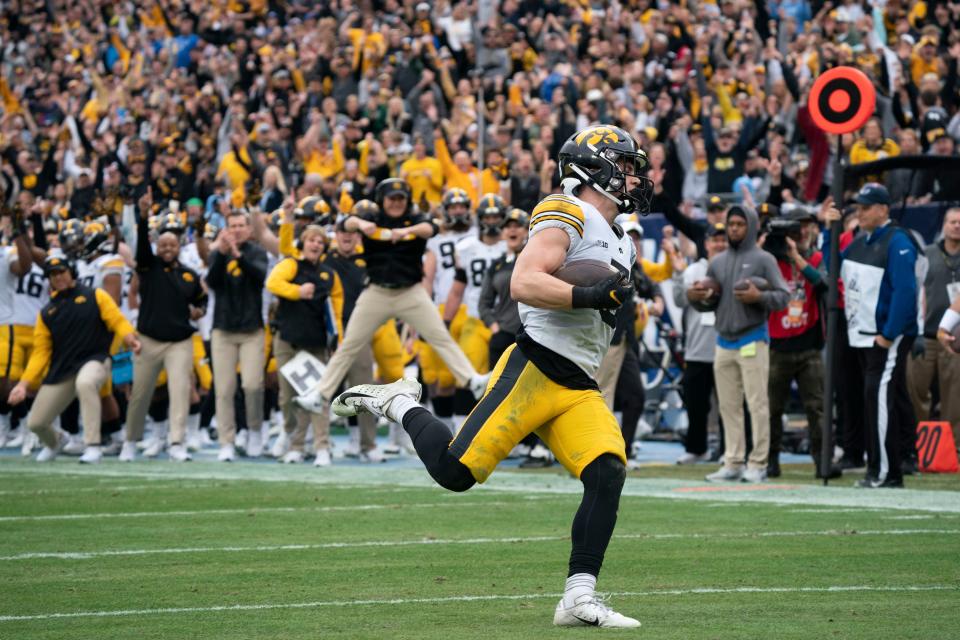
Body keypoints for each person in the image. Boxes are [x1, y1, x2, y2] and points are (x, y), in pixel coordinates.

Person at [328, 125, 651, 628]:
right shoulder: (567, 211)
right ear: (596, 168)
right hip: (536, 366)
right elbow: (524, 282)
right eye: (626, 165)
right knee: (456, 473)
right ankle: (399, 401)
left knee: (607, 472)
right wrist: (587, 294)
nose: (634, 176)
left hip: (579, 383)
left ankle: (577, 597)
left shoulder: (621, 239)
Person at [297, 178, 487, 414]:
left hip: (410, 292)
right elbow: (345, 222)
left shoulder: (415, 219)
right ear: (382, 200)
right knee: (350, 345)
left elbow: (432, 227)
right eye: (391, 198)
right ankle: (321, 394)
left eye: (400, 199)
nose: (396, 203)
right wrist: (361, 224)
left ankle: (471, 380)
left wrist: (406, 231)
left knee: (440, 337)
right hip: (377, 291)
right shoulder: (373, 218)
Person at [826, 183, 920, 488]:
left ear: (883, 209)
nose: (860, 213)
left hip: (883, 336)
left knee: (879, 399)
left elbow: (906, 292)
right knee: (872, 399)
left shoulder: (897, 241)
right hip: (864, 334)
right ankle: (883, 469)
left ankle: (884, 472)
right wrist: (831, 229)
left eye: (866, 208)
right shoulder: (862, 241)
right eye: (858, 208)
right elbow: (833, 267)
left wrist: (889, 334)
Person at [689, 205, 789, 483]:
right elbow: (706, 306)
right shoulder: (717, 262)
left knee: (757, 404)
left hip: (753, 339)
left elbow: (783, 296)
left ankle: (758, 463)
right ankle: (733, 461)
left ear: (752, 227)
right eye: (731, 223)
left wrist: (760, 297)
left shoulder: (764, 259)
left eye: (739, 224)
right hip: (723, 342)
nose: (734, 228)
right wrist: (695, 297)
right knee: (727, 406)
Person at [8, 255, 141, 463]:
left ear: (71, 272)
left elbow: (117, 319)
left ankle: (93, 445)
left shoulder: (95, 295)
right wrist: (23, 384)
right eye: (52, 275)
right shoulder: (47, 312)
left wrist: (130, 337)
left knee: (86, 383)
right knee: (36, 422)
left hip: (95, 360)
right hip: (64, 369)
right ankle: (56, 441)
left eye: (61, 272)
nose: (58, 277)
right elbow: (41, 353)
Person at [122, 189, 207, 463]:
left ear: (180, 245)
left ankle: (176, 442)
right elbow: (141, 250)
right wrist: (144, 214)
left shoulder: (189, 274)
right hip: (148, 339)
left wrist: (198, 311)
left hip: (179, 341)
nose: (167, 249)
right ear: (157, 245)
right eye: (163, 245)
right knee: (140, 394)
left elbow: (201, 301)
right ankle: (131, 441)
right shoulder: (148, 266)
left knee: (180, 390)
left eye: (172, 245)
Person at [765, 208, 840, 479]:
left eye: (807, 227)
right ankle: (770, 459)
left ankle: (822, 461)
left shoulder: (817, 258)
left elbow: (826, 286)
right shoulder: (771, 260)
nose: (802, 233)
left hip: (809, 346)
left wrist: (797, 258)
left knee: (817, 407)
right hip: (777, 346)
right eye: (796, 230)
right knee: (773, 408)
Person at [267, 224, 344, 466]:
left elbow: (336, 312)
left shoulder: (329, 275)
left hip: (316, 343)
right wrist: (297, 291)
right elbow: (273, 283)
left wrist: (338, 340)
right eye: (311, 240)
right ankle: (293, 441)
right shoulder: (291, 265)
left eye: (320, 242)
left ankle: (321, 446)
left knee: (316, 397)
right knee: (288, 398)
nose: (315, 245)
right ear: (303, 243)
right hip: (287, 341)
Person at [205, 209, 268, 462]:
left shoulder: (256, 253)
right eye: (232, 226)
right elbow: (211, 282)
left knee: (252, 385)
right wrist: (222, 254)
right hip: (223, 329)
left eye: (242, 225)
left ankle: (254, 430)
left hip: (252, 329)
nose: (237, 230)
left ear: (250, 230)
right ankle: (226, 441)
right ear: (226, 229)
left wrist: (238, 256)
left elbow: (259, 277)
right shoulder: (216, 254)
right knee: (223, 389)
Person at [443, 193, 506, 424]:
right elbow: (457, 289)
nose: (492, 222)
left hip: (505, 321)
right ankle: (460, 429)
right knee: (468, 376)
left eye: (496, 216)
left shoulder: (510, 245)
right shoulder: (466, 247)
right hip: (474, 319)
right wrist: (446, 322)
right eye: (487, 218)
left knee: (506, 379)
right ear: (480, 219)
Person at [673, 222, 727, 464]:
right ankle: (697, 448)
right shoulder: (694, 270)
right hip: (697, 348)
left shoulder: (732, 267)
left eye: (723, 240)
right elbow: (678, 301)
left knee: (729, 405)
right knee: (696, 405)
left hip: (726, 345)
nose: (719, 244)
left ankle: (729, 451)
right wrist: (677, 274)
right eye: (715, 240)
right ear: (705, 243)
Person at [908, 207, 960, 447]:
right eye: (952, 221)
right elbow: (916, 289)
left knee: (955, 395)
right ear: (944, 224)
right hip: (927, 334)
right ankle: (919, 441)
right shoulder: (927, 254)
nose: (957, 226)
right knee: (916, 389)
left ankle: (953, 446)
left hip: (954, 337)